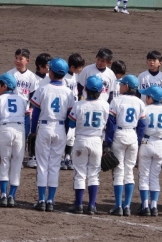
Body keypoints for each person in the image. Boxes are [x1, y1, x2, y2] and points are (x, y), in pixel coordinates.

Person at [29, 58, 75, 211]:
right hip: (60, 129)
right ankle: (50, 200)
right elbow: (69, 117)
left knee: (42, 165)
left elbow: (35, 113)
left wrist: (33, 131)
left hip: (44, 127)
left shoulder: (43, 89)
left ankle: (41, 199)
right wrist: (65, 133)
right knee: (54, 165)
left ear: (51, 72)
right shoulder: (69, 92)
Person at [105, 74, 147, 216]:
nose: (120, 86)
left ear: (126, 86)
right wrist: (138, 141)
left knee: (118, 171)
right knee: (129, 172)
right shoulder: (140, 102)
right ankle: (127, 206)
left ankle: (118, 206)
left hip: (119, 135)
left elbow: (111, 124)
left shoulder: (116, 100)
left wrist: (108, 142)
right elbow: (142, 125)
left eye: (122, 84)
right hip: (133, 136)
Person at [67, 75, 110, 215]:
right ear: (101, 91)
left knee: (80, 174)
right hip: (97, 141)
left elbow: (71, 124)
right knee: (94, 174)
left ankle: (78, 204)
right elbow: (109, 125)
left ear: (85, 88)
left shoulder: (79, 104)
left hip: (81, 140)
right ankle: (91, 205)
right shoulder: (105, 105)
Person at [0, 73, 30, 207]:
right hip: (20, 131)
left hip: (5, 130)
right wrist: (25, 136)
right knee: (17, 163)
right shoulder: (23, 100)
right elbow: (27, 121)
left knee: (4, 162)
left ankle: (3, 195)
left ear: (5, 86)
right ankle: (12, 196)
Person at [137, 86, 162, 216]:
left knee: (144, 176)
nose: (145, 98)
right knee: (154, 176)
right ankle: (154, 206)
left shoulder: (145, 109)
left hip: (146, 143)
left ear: (151, 98)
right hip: (160, 144)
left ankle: (145, 206)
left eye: (147, 96)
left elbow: (140, 128)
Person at [61, 53, 85, 170]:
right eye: (79, 67)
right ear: (72, 67)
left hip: (74, 108)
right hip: (66, 109)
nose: (81, 69)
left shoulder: (75, 76)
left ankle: (67, 156)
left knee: (71, 135)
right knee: (65, 134)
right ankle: (61, 157)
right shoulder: (64, 77)